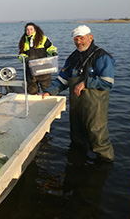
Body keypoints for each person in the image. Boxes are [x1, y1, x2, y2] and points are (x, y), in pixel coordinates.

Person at [41, 25, 115, 162]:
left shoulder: (102, 56)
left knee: (97, 137)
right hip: (76, 106)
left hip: (95, 106)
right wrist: (49, 92)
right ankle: (79, 165)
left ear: (90, 38)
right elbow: (62, 80)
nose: (79, 42)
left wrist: (86, 83)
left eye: (82, 38)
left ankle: (105, 165)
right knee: (77, 137)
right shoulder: (72, 58)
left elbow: (108, 82)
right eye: (76, 39)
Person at [18, 22, 58, 94]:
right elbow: (21, 54)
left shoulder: (43, 39)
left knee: (48, 90)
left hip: (43, 70)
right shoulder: (23, 41)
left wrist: (53, 53)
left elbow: (50, 48)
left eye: (31, 29)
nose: (29, 31)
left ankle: (49, 103)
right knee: (32, 91)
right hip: (30, 71)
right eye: (27, 30)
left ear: (35, 30)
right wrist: (25, 58)